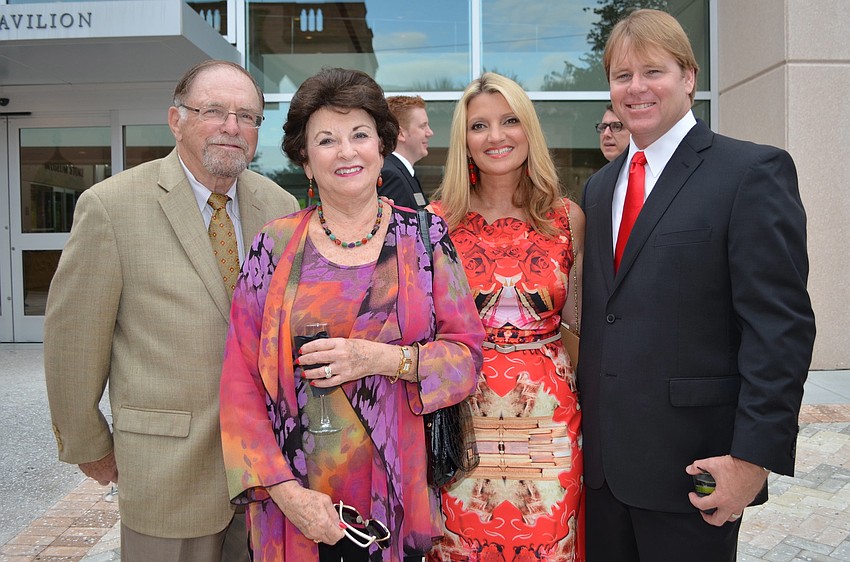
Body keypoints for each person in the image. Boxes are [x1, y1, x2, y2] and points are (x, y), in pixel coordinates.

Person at [218, 67, 484, 562]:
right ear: (304, 156)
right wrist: (284, 492)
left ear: (381, 145)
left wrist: (382, 358)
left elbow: (467, 360)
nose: (346, 152)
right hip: (295, 504)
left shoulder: (424, 239)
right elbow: (239, 384)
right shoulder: (272, 247)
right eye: (326, 139)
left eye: (360, 135)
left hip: (395, 496)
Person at [578, 9, 816, 562]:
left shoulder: (750, 172)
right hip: (604, 477)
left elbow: (779, 329)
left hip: (695, 472)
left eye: (653, 72)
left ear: (689, 76)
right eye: (621, 75)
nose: (635, 88)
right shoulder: (599, 187)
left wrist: (751, 462)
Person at [43, 60, 300, 561]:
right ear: (175, 119)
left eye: (248, 116)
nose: (232, 126)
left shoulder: (280, 206)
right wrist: (88, 443)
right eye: (214, 111)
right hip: (168, 473)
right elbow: (73, 343)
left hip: (267, 477)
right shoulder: (112, 207)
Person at [426, 72, 585, 561]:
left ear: (529, 130)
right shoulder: (435, 221)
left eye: (509, 121)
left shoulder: (567, 218)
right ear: (464, 141)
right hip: (464, 421)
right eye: (479, 126)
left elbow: (578, 325)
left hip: (549, 422)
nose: (495, 137)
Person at [378, 95, 434, 209]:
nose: (430, 132)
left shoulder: (404, 173)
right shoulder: (391, 175)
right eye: (423, 126)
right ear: (400, 134)